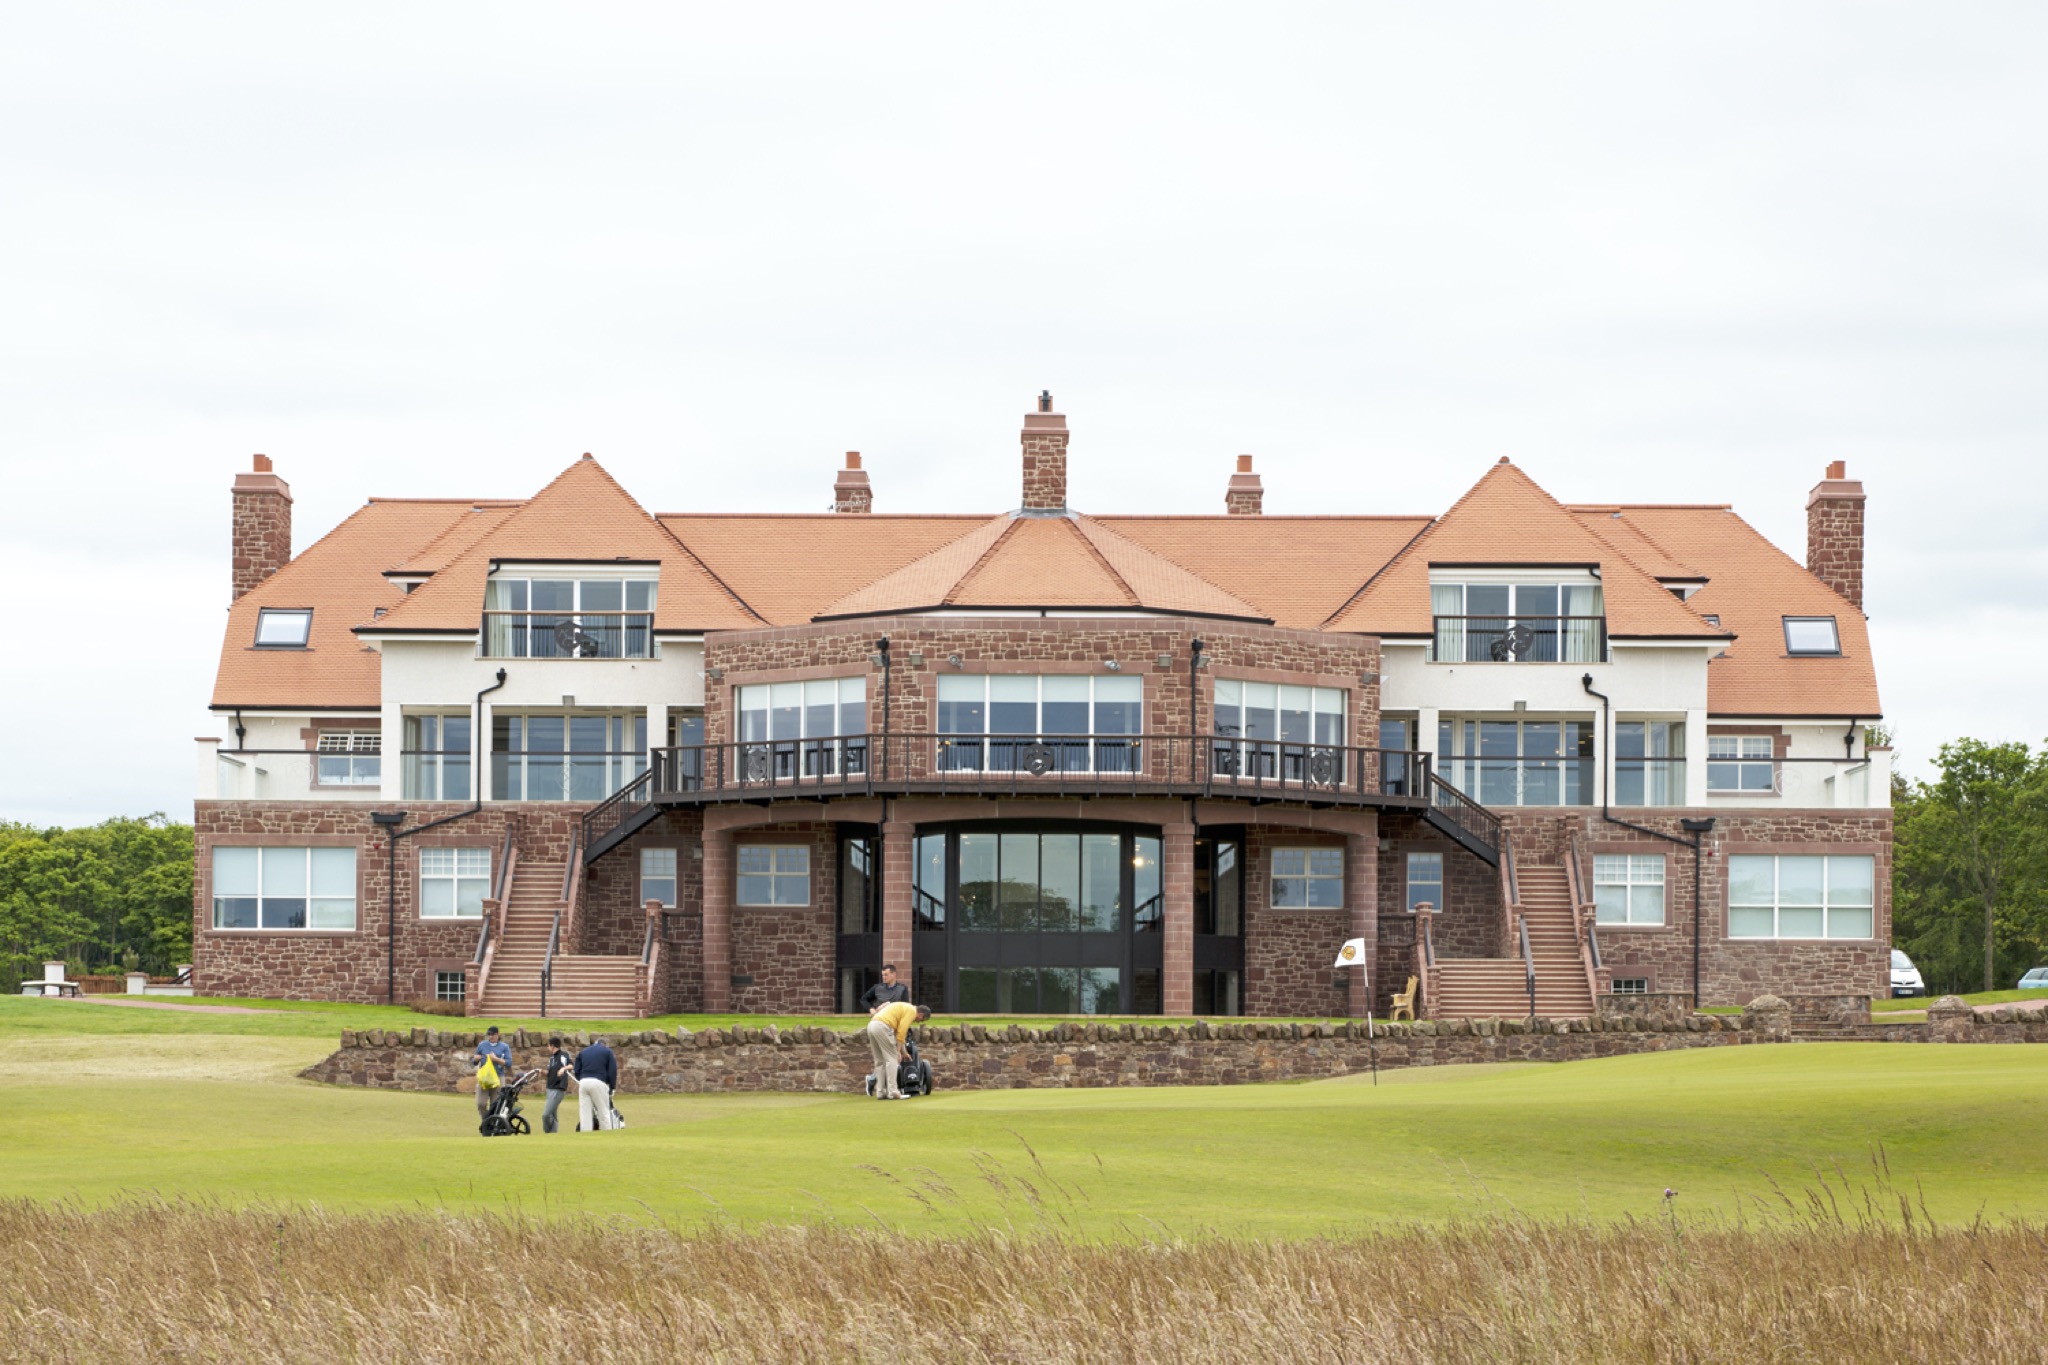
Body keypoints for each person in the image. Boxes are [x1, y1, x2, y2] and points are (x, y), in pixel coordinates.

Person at [866, 1001, 930, 1100]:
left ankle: (880, 1092)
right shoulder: (912, 1011)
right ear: (921, 1014)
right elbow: (902, 1032)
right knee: (892, 1059)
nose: (918, 1022)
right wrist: (898, 1052)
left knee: (880, 1061)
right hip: (883, 1026)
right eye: (921, 1020)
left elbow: (900, 1034)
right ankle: (893, 1092)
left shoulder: (905, 1008)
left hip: (872, 1025)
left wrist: (904, 1052)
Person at [470, 1026, 512, 1127]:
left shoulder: (504, 1047)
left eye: (493, 1034)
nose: (490, 1036)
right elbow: (473, 1062)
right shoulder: (482, 1045)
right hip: (484, 1078)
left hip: (498, 1078)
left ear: (498, 1034)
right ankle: (487, 1123)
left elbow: (509, 1063)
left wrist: (496, 1059)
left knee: (496, 1105)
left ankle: (494, 1125)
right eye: (489, 1034)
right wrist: (475, 1059)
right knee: (481, 1104)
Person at [576, 1035, 619, 1132]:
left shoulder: (584, 1051)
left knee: (585, 1112)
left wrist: (581, 1078)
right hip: (598, 1081)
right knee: (603, 1110)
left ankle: (585, 1135)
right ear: (604, 1044)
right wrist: (612, 1086)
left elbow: (577, 1070)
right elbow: (612, 1070)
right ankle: (606, 1133)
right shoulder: (608, 1052)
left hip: (583, 1082)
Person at [542, 1034, 576, 1134]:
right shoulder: (551, 1058)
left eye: (548, 1045)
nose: (548, 1048)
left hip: (558, 1088)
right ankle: (553, 1134)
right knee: (552, 1113)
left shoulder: (563, 1055)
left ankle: (547, 1132)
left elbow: (571, 1066)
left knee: (546, 1114)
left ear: (552, 1045)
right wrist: (542, 1072)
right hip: (550, 1088)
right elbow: (549, 1072)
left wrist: (563, 1068)